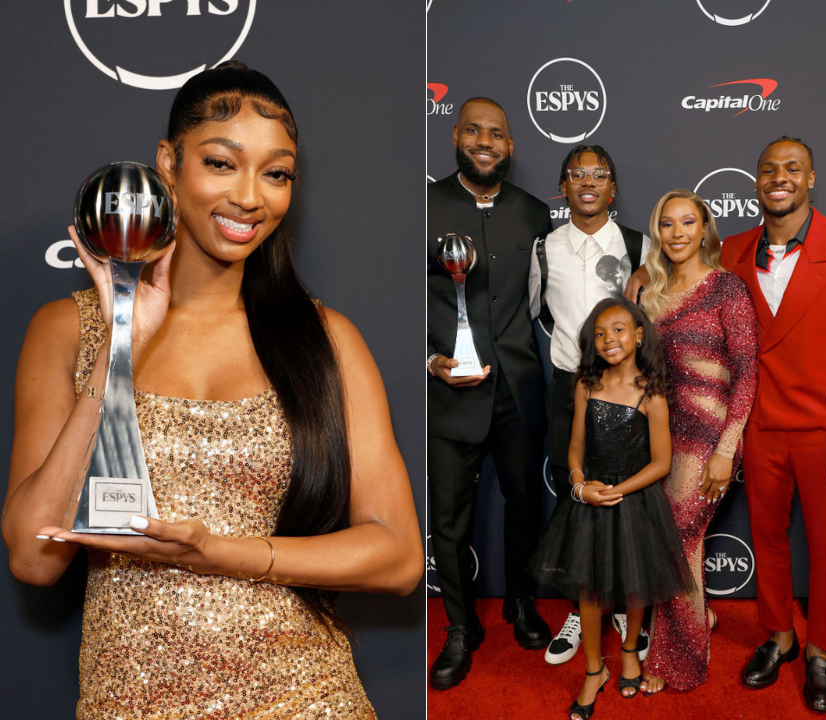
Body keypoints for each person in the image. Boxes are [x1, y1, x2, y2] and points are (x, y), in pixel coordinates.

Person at [1, 62, 423, 719]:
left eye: (276, 173)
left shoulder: (325, 340)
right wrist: (120, 346)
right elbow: (33, 556)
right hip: (131, 703)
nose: (251, 197)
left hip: (307, 698)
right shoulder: (68, 329)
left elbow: (398, 556)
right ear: (167, 163)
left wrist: (215, 552)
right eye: (223, 163)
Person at [721, 138, 826, 713]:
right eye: (769, 169)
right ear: (756, 182)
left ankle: (822, 648)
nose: (780, 177)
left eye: (792, 168)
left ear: (812, 179)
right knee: (767, 540)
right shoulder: (730, 251)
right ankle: (779, 635)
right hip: (759, 423)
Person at [427, 96, 552, 689]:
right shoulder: (424, 208)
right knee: (450, 521)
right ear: (455, 135)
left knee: (525, 507)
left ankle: (520, 604)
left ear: (510, 146)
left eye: (497, 134)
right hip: (451, 394)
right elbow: (394, 301)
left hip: (520, 390)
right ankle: (458, 628)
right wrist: (429, 359)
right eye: (474, 130)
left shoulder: (533, 213)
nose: (485, 141)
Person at [528, 298, 692, 720]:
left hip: (635, 500)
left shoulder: (652, 394)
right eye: (600, 334)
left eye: (618, 330)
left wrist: (618, 489)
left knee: (637, 585)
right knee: (588, 589)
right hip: (590, 500)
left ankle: (631, 650)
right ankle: (594, 670)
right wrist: (581, 486)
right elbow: (577, 445)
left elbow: (661, 463)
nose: (609, 340)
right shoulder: (586, 384)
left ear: (638, 335)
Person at [528, 145, 652, 665]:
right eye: (577, 173)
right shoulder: (543, 248)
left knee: (627, 498)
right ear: (564, 185)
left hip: (628, 392)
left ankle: (624, 602)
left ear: (612, 187)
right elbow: (533, 312)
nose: (588, 181)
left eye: (599, 173)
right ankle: (582, 608)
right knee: (575, 496)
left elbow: (653, 314)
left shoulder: (639, 245)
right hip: (568, 387)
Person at [638, 190, 758, 694]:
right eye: (668, 224)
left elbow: (748, 372)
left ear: (705, 228)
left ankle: (678, 659)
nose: (679, 233)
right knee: (671, 541)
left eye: (689, 222)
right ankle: (696, 620)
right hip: (660, 436)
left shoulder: (726, 287)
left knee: (680, 542)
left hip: (710, 440)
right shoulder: (649, 293)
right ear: (658, 232)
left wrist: (727, 449)